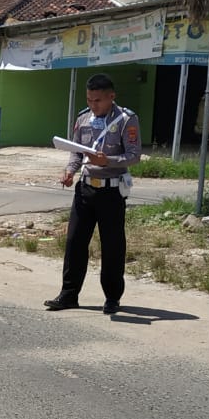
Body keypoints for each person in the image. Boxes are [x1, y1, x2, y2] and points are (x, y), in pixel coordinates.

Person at [45, 72, 142, 316]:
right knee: (75, 242)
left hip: (111, 191)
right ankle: (69, 294)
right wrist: (69, 171)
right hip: (85, 188)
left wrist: (107, 160)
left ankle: (112, 298)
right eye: (89, 100)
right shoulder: (84, 118)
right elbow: (76, 152)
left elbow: (134, 156)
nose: (92, 105)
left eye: (97, 100)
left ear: (111, 97)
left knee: (112, 246)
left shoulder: (126, 119)